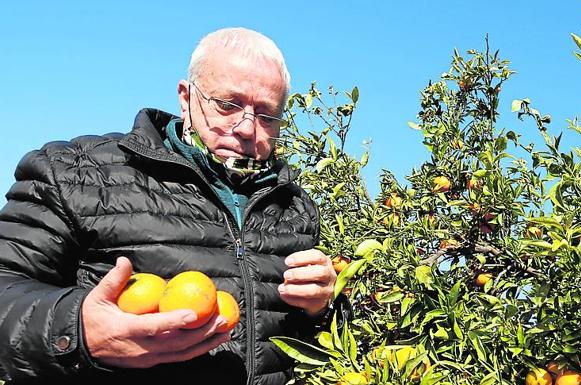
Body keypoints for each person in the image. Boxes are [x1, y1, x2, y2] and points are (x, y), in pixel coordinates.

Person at [0, 28, 340, 385]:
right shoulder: (76, 172)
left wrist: (322, 306)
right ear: (186, 97)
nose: (246, 127)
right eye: (227, 104)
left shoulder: (294, 207)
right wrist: (79, 333)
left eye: (267, 116)